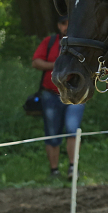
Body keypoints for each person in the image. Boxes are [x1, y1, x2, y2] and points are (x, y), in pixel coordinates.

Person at [31, 15, 85, 177]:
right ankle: (54, 170)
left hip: (74, 94)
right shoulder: (50, 42)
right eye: (63, 23)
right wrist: (56, 65)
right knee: (53, 133)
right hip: (51, 95)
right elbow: (35, 62)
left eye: (70, 23)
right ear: (58, 25)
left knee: (72, 130)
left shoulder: (81, 42)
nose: (66, 26)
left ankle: (72, 168)